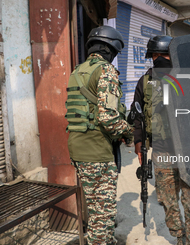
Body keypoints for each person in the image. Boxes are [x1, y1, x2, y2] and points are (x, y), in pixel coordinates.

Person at [131, 35, 190, 245]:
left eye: (164, 54)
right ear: (152, 56)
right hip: (162, 152)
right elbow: (137, 116)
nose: (160, 58)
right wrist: (139, 146)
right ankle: (181, 238)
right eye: (156, 55)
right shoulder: (145, 81)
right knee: (167, 201)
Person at [65, 25, 134, 245]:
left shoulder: (78, 70)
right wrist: (129, 132)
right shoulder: (106, 71)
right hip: (97, 151)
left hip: (78, 148)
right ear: (112, 49)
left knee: (95, 207)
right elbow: (108, 118)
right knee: (103, 216)